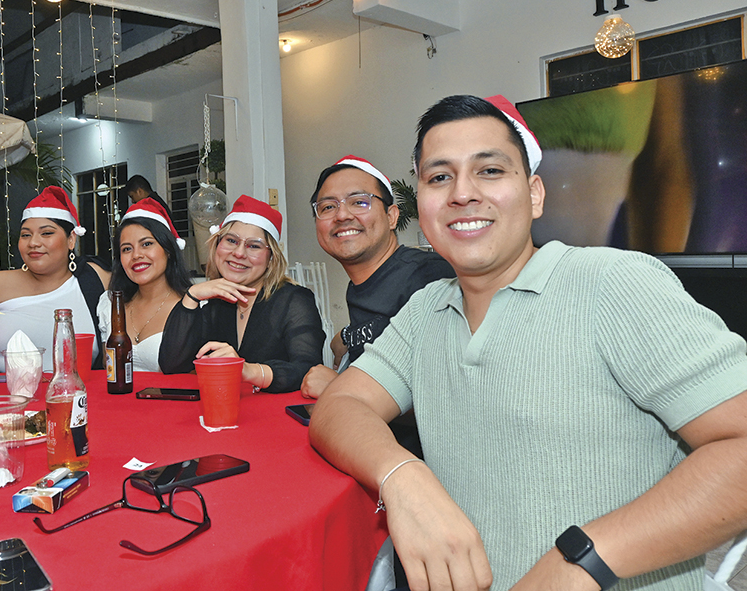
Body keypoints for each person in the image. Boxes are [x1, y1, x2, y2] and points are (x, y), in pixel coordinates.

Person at [309, 94, 747, 591]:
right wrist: (403, 476)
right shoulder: (426, 309)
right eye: (440, 177)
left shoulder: (612, 283)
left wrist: (581, 561)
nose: (463, 193)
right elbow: (339, 405)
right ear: (422, 208)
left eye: (490, 171)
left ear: (535, 194)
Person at [300, 155, 454, 399]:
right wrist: (348, 335)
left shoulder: (429, 277)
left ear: (391, 216)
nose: (342, 215)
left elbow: (447, 396)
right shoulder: (359, 286)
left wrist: (340, 386)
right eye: (328, 207)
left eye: (359, 202)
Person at [159, 195, 325, 392]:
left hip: (277, 410)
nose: (239, 253)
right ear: (217, 245)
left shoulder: (294, 300)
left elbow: (310, 371)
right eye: (231, 240)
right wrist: (192, 295)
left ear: (271, 258)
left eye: (254, 246)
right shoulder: (216, 304)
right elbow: (172, 365)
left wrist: (248, 371)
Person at [0, 186, 110, 373]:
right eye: (25, 235)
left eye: (46, 233)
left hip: (79, 390)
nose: (33, 243)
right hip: (7, 391)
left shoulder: (96, 278)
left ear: (71, 239)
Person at [97, 198, 192, 372]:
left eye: (146, 244)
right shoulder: (110, 304)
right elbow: (108, 371)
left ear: (168, 250)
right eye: (127, 249)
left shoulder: (193, 306)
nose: (136, 255)